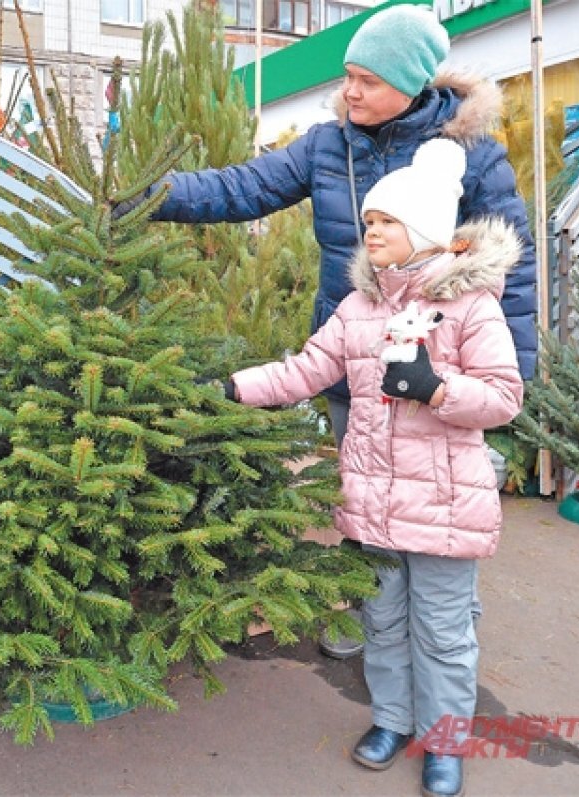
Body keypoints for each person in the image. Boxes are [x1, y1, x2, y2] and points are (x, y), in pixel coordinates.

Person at [117, 3, 536, 658]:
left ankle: (449, 634)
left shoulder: (472, 159)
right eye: (347, 76)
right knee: (364, 493)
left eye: (365, 80)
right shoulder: (326, 145)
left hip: (439, 368)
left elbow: (515, 261)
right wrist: (154, 194)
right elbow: (242, 187)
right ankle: (373, 622)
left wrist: (510, 374)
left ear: (410, 84)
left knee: (438, 505)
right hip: (354, 355)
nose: (349, 91)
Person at [222, 138, 523, 797]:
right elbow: (304, 370)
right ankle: (391, 719)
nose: (371, 231)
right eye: (369, 222)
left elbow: (504, 397)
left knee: (443, 632)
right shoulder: (358, 311)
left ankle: (443, 742)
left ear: (419, 231)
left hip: (444, 505)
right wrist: (233, 388)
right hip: (374, 501)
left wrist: (437, 389)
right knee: (382, 619)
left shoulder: (471, 306)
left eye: (384, 222)